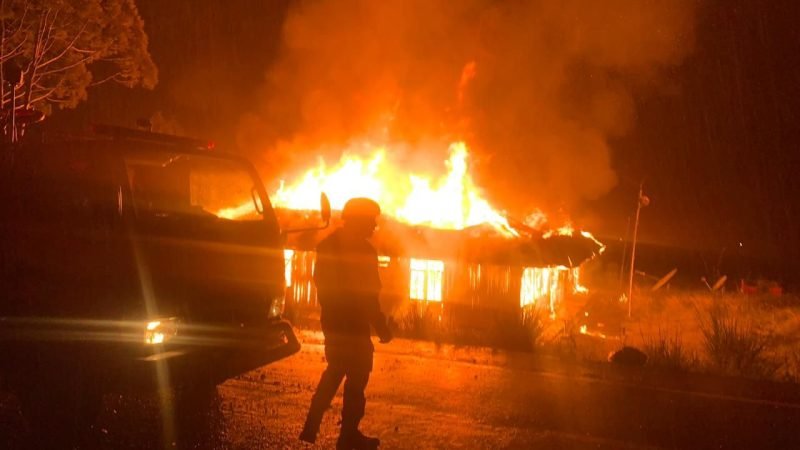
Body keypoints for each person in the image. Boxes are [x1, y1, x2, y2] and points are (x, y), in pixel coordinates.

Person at [299, 197, 392, 450]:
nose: (374, 226)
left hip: (333, 322)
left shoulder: (327, 246)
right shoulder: (363, 252)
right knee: (356, 378)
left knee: (335, 370)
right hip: (354, 325)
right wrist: (381, 326)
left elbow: (322, 285)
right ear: (359, 221)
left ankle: (312, 425)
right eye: (371, 221)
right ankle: (348, 434)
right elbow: (369, 294)